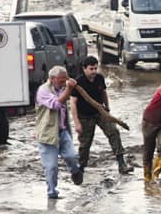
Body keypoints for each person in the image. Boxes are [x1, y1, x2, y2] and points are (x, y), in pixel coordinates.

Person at [69, 56, 133, 174]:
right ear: (84, 69)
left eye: (95, 68)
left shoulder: (99, 78)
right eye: (91, 69)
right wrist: (77, 123)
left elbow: (103, 92)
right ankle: (81, 168)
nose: (94, 71)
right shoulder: (78, 82)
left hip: (100, 112)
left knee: (114, 132)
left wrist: (107, 108)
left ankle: (121, 164)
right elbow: (73, 103)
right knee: (85, 142)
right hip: (84, 115)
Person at [35, 66, 83, 198]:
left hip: (62, 131)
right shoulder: (43, 90)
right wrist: (68, 88)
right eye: (61, 81)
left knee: (72, 156)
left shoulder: (62, 88)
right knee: (51, 167)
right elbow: (56, 105)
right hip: (47, 134)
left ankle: (75, 171)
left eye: (64, 81)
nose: (63, 84)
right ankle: (52, 193)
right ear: (52, 79)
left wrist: (69, 87)